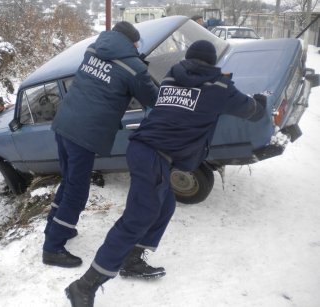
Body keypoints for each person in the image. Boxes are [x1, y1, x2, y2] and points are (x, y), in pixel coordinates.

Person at [65, 40, 267, 307]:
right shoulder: (219, 87)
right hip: (152, 155)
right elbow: (251, 111)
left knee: (165, 205)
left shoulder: (172, 76)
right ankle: (84, 285)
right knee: (138, 217)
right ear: (212, 62)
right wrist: (262, 101)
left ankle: (131, 259)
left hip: (146, 150)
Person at [42, 21, 159, 268]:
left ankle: (55, 226)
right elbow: (152, 98)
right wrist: (143, 69)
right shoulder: (133, 66)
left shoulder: (93, 50)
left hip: (64, 123)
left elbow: (107, 78)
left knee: (69, 180)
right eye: (137, 42)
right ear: (132, 42)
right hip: (85, 133)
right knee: (77, 189)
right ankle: (52, 247)